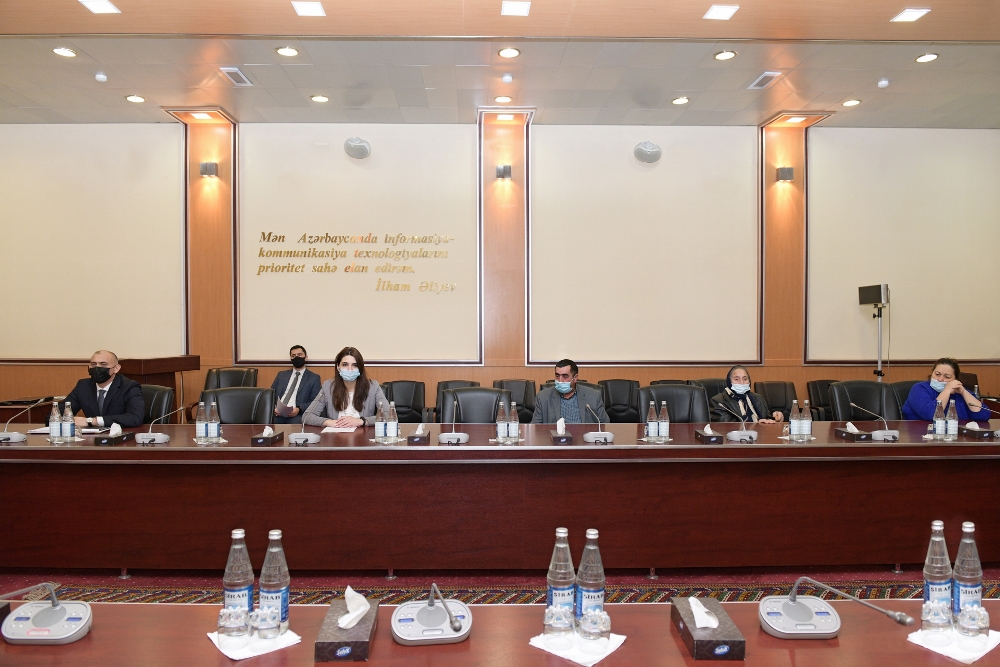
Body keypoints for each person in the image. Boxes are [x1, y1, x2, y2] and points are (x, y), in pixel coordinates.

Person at [303, 347, 387, 428]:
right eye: (345, 365)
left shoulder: (373, 387)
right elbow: (307, 416)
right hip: (336, 434)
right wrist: (329, 422)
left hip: (363, 434)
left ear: (360, 368)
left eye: (355, 365)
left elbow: (388, 414)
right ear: (338, 367)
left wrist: (362, 421)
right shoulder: (328, 387)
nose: (350, 369)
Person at [59, 350, 144, 429]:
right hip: (91, 437)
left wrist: (92, 421)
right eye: (93, 364)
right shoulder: (83, 386)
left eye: (103, 364)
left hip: (121, 435)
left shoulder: (129, 386)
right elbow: (58, 414)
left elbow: (135, 418)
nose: (97, 368)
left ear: (116, 368)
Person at [902, 358, 989, 421]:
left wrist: (964, 393)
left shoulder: (958, 392)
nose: (940, 379)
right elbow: (930, 414)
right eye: (937, 374)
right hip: (921, 436)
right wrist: (946, 391)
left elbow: (983, 416)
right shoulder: (919, 388)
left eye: (947, 377)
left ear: (955, 379)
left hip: (956, 436)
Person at [531, 359, 609, 424]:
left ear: (575, 378)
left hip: (583, 437)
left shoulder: (594, 396)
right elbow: (535, 428)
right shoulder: (543, 397)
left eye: (565, 376)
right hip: (554, 437)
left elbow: (605, 424)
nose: (560, 380)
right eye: (557, 376)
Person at [710, 365, 784, 424]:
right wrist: (759, 425)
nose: (742, 382)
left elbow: (766, 418)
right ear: (729, 382)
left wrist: (775, 418)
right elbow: (727, 426)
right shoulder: (718, 402)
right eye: (736, 379)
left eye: (745, 379)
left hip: (761, 435)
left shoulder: (758, 398)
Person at [269, 345, 321, 425]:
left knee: (296, 425)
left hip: (297, 415)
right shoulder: (281, 375)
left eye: (299, 355)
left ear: (306, 357)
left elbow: (315, 401)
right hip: (277, 413)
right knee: (266, 422)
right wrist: (273, 408)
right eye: (293, 356)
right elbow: (270, 394)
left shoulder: (314, 378)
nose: (296, 357)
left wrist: (299, 409)